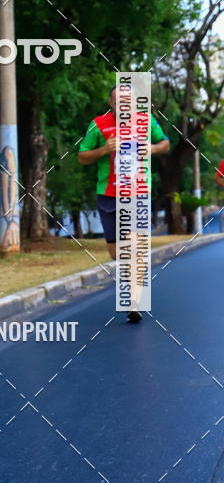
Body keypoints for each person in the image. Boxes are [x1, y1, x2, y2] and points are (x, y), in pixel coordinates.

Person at [77, 84, 170, 322]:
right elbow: (81, 156)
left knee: (134, 247)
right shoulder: (98, 124)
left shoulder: (146, 120)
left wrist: (151, 148)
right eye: (119, 102)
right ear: (111, 103)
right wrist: (103, 150)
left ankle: (134, 302)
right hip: (108, 194)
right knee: (116, 251)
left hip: (137, 193)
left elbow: (165, 143)